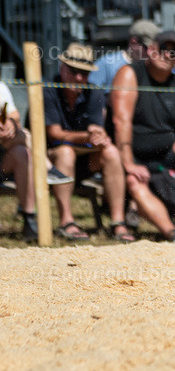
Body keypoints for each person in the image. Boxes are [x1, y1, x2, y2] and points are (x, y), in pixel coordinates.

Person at [110, 31, 175, 243]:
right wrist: (128, 162)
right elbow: (121, 121)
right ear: (151, 50)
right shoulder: (130, 73)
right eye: (162, 49)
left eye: (173, 52)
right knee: (134, 180)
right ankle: (172, 231)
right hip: (136, 156)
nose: (167, 55)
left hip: (168, 159)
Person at [43, 43, 132, 241]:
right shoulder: (48, 90)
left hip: (82, 159)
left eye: (84, 73)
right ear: (62, 68)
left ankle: (118, 222)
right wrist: (88, 137)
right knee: (65, 152)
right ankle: (66, 221)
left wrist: (99, 137)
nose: (79, 78)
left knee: (110, 152)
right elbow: (54, 134)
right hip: (48, 163)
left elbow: (95, 128)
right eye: (74, 72)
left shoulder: (94, 92)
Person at [0, 80, 38, 241]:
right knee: (25, 137)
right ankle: (48, 167)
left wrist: (10, 124)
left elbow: (14, 115)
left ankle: (29, 218)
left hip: (3, 159)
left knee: (22, 151)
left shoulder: (0, 86)